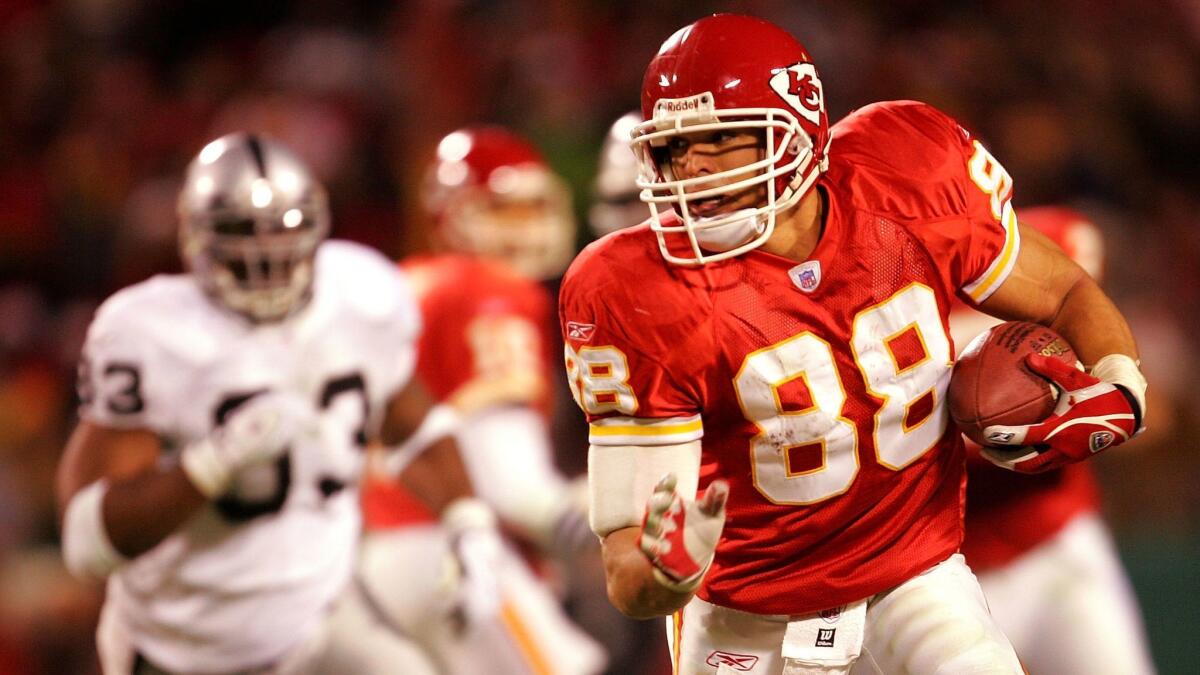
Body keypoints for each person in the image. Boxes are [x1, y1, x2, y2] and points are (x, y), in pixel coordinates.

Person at [558, 13, 1148, 675]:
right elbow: (628, 573)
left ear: (797, 129)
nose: (690, 166)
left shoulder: (906, 175)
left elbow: (1065, 290)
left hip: (913, 573)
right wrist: (665, 574)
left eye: (718, 138)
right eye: (673, 147)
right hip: (744, 611)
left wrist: (1119, 380)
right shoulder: (632, 288)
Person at [56, 132, 500, 675]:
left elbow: (413, 421)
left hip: (319, 623)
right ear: (195, 235)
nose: (266, 256)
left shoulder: (363, 294)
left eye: (283, 233)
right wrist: (211, 463)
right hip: (181, 647)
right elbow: (86, 544)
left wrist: (469, 525)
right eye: (243, 233)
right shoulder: (150, 332)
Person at [358, 126, 606, 675]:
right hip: (448, 545)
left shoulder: (406, 284)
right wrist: (609, 520)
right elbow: (509, 482)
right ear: (453, 215)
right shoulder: (488, 291)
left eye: (533, 208)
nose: (526, 227)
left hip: (370, 558)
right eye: (504, 211)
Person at [952, 206, 1156, 675]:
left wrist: (1108, 410)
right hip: (944, 575)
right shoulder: (874, 288)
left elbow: (1140, 402)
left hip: (1054, 543)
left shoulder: (1042, 247)